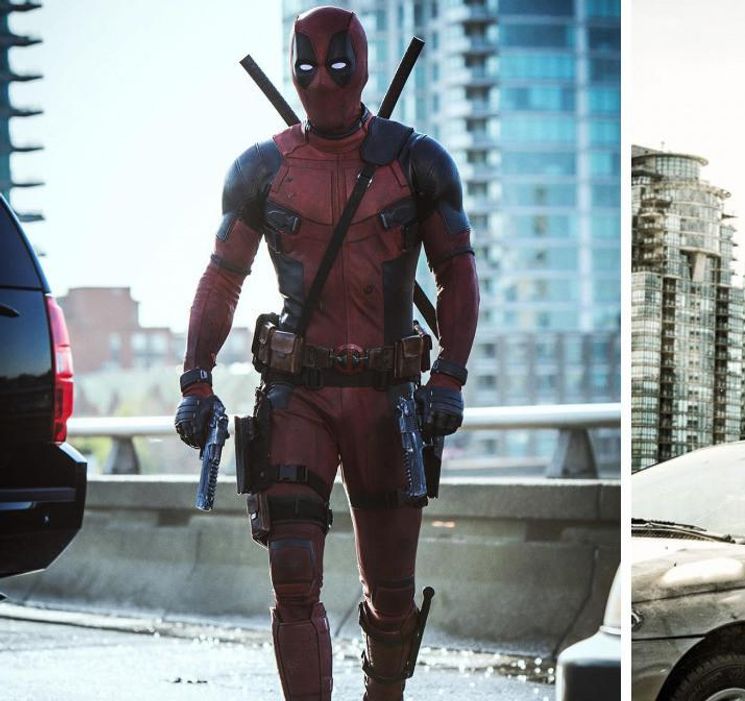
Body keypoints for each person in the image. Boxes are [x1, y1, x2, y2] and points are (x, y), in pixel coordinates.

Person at [174, 7, 479, 699]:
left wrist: (449, 376)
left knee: (392, 595)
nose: (320, 78)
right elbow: (222, 275)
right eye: (305, 64)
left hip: (386, 399)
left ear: (361, 63)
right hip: (297, 396)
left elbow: (456, 269)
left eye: (334, 63)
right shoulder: (261, 168)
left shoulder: (416, 160)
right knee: (291, 574)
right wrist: (195, 379)